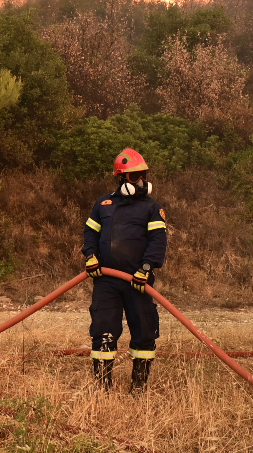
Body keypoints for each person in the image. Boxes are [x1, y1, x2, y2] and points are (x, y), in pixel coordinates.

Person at [83, 148, 168, 393]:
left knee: (144, 331)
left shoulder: (152, 208)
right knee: (103, 331)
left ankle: (139, 386)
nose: (140, 181)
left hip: (138, 281)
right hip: (106, 280)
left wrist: (147, 267)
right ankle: (102, 387)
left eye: (142, 175)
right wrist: (90, 255)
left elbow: (158, 241)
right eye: (134, 177)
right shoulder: (103, 204)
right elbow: (90, 233)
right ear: (121, 178)